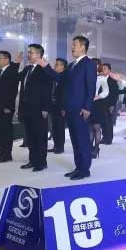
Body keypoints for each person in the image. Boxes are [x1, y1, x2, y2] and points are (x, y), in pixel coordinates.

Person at [39, 35, 96, 180]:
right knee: (75, 140)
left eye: (74, 44)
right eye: (72, 45)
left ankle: (85, 170)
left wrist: (87, 107)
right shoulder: (71, 65)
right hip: (70, 109)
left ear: (83, 47)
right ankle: (78, 167)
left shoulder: (89, 64)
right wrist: (45, 66)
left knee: (82, 140)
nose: (72, 47)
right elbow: (60, 78)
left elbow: (91, 87)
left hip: (81, 109)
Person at [16, 44, 52, 172]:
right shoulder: (27, 69)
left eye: (30, 52)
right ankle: (32, 160)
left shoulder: (44, 69)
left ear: (38, 54)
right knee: (30, 136)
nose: (28, 55)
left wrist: (45, 108)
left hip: (39, 109)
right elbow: (15, 78)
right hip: (27, 108)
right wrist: (16, 63)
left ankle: (41, 162)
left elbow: (47, 89)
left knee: (40, 136)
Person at [89, 58, 109, 158]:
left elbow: (106, 91)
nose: (94, 66)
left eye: (96, 64)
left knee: (96, 127)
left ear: (99, 66)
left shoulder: (101, 78)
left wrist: (98, 96)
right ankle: (89, 148)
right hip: (87, 104)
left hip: (97, 104)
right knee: (89, 128)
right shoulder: (86, 75)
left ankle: (96, 148)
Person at [48, 58, 67, 153]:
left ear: (63, 66)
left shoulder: (65, 77)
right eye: (55, 64)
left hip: (61, 106)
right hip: (53, 105)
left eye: (58, 64)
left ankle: (60, 147)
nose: (55, 66)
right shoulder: (53, 77)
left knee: (60, 127)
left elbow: (66, 94)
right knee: (54, 127)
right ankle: (55, 145)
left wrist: (64, 107)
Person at [100, 63, 119, 145]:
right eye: (102, 68)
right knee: (102, 122)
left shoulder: (112, 80)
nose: (103, 69)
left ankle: (109, 138)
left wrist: (112, 105)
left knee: (108, 122)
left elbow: (115, 93)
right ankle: (104, 137)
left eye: (105, 68)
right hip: (100, 103)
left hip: (109, 104)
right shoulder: (100, 78)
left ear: (109, 70)